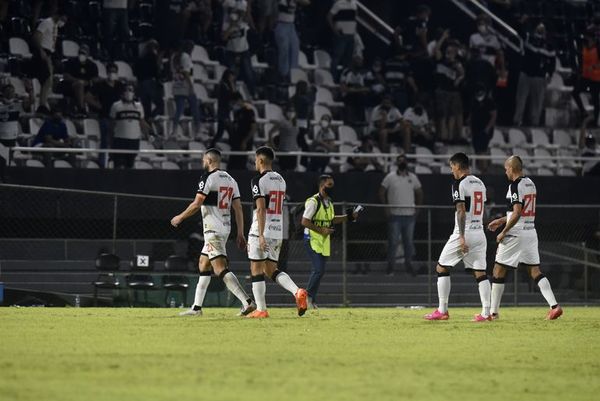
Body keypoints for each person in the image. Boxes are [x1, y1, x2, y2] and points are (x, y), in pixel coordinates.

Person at [171, 148, 257, 316]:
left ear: (209, 160)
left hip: (213, 229)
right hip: (224, 227)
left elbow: (197, 203)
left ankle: (247, 302)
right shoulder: (231, 180)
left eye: (204, 160)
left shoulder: (208, 178)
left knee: (219, 268)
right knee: (204, 263)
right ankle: (196, 308)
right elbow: (238, 208)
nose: (203, 163)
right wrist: (240, 233)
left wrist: (180, 217)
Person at [487, 156, 563, 320]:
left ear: (512, 168)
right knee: (535, 271)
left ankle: (493, 313)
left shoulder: (514, 186)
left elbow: (517, 212)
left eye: (506, 168)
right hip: (530, 231)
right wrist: (500, 220)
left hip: (516, 233)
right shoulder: (530, 183)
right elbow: (520, 212)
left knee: (498, 270)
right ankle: (555, 306)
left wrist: (503, 231)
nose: (505, 171)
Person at [424, 152, 491, 322]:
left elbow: (461, 210)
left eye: (451, 166)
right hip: (479, 232)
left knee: (441, 267)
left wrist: (461, 237)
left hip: (465, 232)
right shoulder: (480, 183)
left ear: (458, 166)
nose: (451, 170)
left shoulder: (459, 183)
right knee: (480, 273)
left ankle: (442, 310)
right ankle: (486, 313)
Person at [246, 146, 308, 318]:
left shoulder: (258, 181)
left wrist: (260, 235)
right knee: (271, 269)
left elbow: (261, 209)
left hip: (262, 230)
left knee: (256, 268)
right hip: (277, 231)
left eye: (255, 159)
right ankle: (298, 292)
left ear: (261, 160)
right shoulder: (281, 180)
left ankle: (261, 309)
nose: (254, 163)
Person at [302, 174, 360, 309]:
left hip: (322, 241)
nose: (332, 188)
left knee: (320, 271)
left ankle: (311, 300)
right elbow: (304, 221)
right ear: (322, 185)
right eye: (330, 185)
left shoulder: (329, 201)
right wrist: (321, 230)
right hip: (311, 239)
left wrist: (349, 217)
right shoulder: (313, 201)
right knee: (318, 269)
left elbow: (331, 219)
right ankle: (307, 298)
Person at [379, 155, 423, 276]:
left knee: (408, 242)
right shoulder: (390, 177)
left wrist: (417, 209)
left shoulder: (412, 177)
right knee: (393, 242)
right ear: (397, 163)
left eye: (403, 161)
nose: (402, 163)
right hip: (395, 215)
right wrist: (386, 207)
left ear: (407, 163)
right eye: (400, 161)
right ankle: (390, 267)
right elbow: (381, 191)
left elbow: (419, 192)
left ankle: (409, 266)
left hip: (409, 216)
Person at [513, 23, 555, 127]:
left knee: (537, 102)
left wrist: (550, 74)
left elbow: (552, 61)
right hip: (525, 74)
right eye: (538, 28)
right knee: (521, 100)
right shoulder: (529, 39)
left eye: (542, 29)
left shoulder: (549, 45)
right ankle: (517, 121)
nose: (540, 30)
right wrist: (522, 21)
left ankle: (535, 123)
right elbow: (518, 31)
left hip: (539, 77)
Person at [30, 9, 67, 113]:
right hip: (42, 53)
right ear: (58, 15)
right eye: (63, 19)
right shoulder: (46, 22)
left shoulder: (55, 26)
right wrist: (41, 51)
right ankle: (41, 105)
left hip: (49, 54)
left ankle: (43, 104)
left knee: (48, 80)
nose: (63, 22)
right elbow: (36, 37)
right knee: (46, 79)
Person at [109, 84, 149, 169]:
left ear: (134, 93)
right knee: (118, 165)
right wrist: (110, 140)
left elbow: (142, 122)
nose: (128, 92)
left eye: (131, 90)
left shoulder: (139, 106)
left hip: (133, 141)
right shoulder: (116, 106)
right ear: (122, 93)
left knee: (130, 165)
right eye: (126, 90)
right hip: (120, 140)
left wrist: (148, 134)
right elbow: (112, 125)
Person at [171, 40, 202, 138]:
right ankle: (198, 131)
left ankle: (174, 130)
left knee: (179, 109)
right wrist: (191, 87)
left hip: (177, 85)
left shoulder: (174, 57)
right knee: (194, 108)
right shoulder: (186, 57)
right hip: (186, 86)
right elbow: (186, 73)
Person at [274, 0, 310, 81]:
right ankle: (284, 74)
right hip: (281, 24)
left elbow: (307, 2)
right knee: (284, 50)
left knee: (295, 48)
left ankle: (293, 74)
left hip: (291, 26)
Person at [62, 44, 99, 116]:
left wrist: (88, 82)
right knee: (79, 84)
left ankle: (102, 109)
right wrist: (77, 80)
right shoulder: (71, 62)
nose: (81, 55)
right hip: (72, 85)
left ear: (88, 54)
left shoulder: (92, 65)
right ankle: (81, 109)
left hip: (88, 86)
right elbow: (66, 76)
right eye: (80, 53)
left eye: (84, 53)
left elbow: (95, 78)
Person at [468, 85, 497, 174]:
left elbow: (494, 115)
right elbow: (471, 116)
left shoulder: (489, 102)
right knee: (477, 150)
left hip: (484, 131)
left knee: (482, 150)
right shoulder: (474, 101)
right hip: (475, 130)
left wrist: (488, 128)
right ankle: (481, 169)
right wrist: (469, 128)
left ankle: (484, 170)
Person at [135, 40, 164, 123]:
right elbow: (156, 71)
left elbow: (136, 71)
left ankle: (148, 128)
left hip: (141, 83)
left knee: (146, 108)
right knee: (160, 104)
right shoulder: (153, 58)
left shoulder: (140, 58)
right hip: (150, 83)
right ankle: (151, 118)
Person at [328, 0, 358, 78]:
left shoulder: (354, 4)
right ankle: (332, 77)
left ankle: (346, 79)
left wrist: (354, 32)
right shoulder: (339, 3)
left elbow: (355, 18)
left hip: (351, 34)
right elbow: (329, 16)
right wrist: (334, 30)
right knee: (337, 56)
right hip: (341, 34)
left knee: (348, 58)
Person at [228, 92, 256, 170]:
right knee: (231, 166)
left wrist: (245, 141)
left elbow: (253, 128)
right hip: (236, 142)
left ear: (239, 100)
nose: (233, 105)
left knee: (241, 166)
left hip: (244, 144)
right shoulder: (237, 112)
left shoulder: (249, 111)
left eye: (234, 102)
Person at [268, 103, 299, 171]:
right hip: (285, 150)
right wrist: (273, 146)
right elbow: (270, 133)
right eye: (289, 111)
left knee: (292, 171)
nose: (291, 113)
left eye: (293, 111)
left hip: (294, 151)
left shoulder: (295, 123)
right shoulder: (282, 122)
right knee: (284, 171)